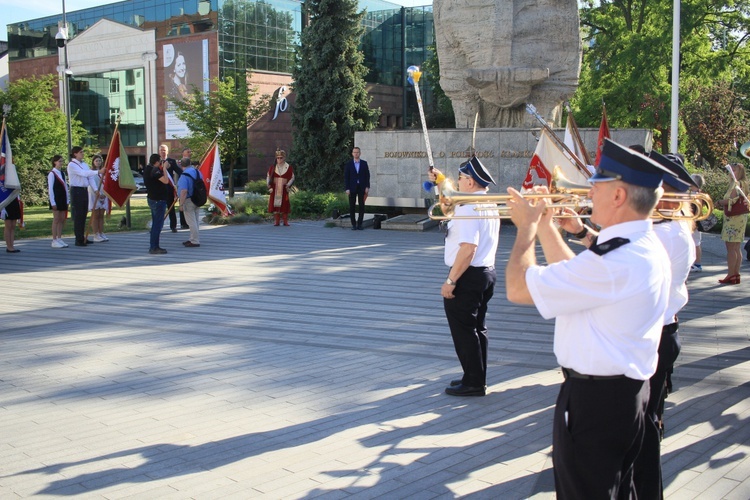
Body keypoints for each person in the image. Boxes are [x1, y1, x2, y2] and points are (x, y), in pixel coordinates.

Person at [505, 139, 676, 499]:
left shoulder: (614, 261)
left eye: (596, 181)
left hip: (595, 403)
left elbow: (518, 289)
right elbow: (577, 280)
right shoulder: (639, 246)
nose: (587, 189)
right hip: (622, 396)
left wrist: (526, 229)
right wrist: (550, 227)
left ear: (617, 196)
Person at [628, 150, 697, 499]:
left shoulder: (665, 234)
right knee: (646, 423)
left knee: (642, 429)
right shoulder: (669, 227)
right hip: (661, 333)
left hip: (654, 336)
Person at [429, 156, 499, 397]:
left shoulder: (469, 207)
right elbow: (448, 204)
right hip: (486, 273)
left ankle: (474, 382)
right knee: (478, 329)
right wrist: (440, 182)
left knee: (465, 331)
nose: (457, 182)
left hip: (468, 276)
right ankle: (475, 376)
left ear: (470, 182)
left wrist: (451, 281)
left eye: (460, 178)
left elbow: (468, 248)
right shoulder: (487, 203)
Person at [716, 162, 748, 284]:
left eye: (733, 171)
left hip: (734, 218)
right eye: (730, 170)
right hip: (740, 217)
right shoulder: (744, 183)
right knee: (736, 247)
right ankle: (736, 274)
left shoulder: (736, 184)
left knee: (730, 247)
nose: (731, 173)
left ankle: (731, 274)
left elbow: (732, 200)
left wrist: (719, 202)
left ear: (739, 172)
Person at [68, 146, 104, 246]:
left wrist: (96, 189)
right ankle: (78, 238)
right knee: (78, 215)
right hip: (77, 190)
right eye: (81, 152)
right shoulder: (72, 164)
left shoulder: (84, 164)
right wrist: (98, 171)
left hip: (84, 190)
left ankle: (83, 236)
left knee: (84, 214)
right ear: (75, 154)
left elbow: (90, 177)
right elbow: (83, 173)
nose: (82, 153)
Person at [143, 153, 171, 254]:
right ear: (157, 161)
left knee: (156, 223)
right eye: (160, 161)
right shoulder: (154, 170)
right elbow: (166, 181)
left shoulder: (147, 168)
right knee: (157, 225)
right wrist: (164, 169)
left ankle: (154, 245)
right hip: (158, 200)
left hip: (152, 198)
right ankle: (154, 247)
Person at [158, 143, 187, 231]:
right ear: (159, 152)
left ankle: (173, 226)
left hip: (169, 187)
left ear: (167, 151)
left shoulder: (171, 161)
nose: (163, 152)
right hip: (159, 188)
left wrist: (187, 175)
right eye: (161, 150)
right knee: (162, 208)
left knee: (172, 207)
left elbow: (179, 171)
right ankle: (161, 226)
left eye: (164, 150)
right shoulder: (156, 161)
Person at [177, 157, 201, 248]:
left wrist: (181, 204)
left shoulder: (184, 176)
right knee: (196, 221)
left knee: (191, 222)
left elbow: (183, 191)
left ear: (181, 165)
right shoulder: (197, 172)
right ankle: (193, 238)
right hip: (198, 199)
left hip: (188, 200)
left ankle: (195, 241)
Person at [267, 148, 295, 226]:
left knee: (284, 204)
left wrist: (288, 185)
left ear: (284, 158)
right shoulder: (272, 168)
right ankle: (277, 221)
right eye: (278, 158)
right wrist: (269, 186)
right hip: (275, 188)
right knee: (275, 205)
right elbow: (268, 177)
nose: (279, 159)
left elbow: (292, 177)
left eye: (281, 158)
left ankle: (285, 221)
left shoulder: (288, 167)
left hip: (284, 188)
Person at [344, 146, 370, 230]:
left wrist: (367, 186)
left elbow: (367, 176)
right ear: (352, 154)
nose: (356, 154)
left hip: (362, 187)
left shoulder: (364, 163)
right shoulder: (349, 164)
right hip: (352, 188)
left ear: (360, 153)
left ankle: (360, 224)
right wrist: (347, 188)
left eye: (357, 152)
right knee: (352, 206)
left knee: (361, 206)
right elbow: (346, 177)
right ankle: (353, 224)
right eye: (354, 152)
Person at [48, 154, 70, 248]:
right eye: (59, 161)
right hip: (56, 199)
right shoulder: (52, 174)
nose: (61, 163)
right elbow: (50, 189)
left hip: (62, 198)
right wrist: (52, 202)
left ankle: (59, 238)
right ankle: (54, 239)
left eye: (62, 161)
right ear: (55, 162)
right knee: (56, 219)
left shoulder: (62, 173)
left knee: (62, 219)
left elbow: (65, 187)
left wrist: (67, 199)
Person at [87, 154, 109, 242]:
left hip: (104, 195)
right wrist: (98, 193)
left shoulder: (104, 172)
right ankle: (95, 234)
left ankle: (101, 232)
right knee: (95, 215)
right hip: (94, 195)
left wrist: (104, 194)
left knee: (101, 215)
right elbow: (91, 185)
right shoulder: (91, 172)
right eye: (96, 161)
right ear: (93, 162)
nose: (98, 162)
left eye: (99, 161)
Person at [690, 173, 706, 272]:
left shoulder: (698, 194)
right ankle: (694, 262)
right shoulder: (693, 193)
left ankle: (698, 263)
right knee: (694, 242)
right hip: (692, 220)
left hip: (695, 221)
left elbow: (698, 209)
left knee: (696, 242)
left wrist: (694, 222)